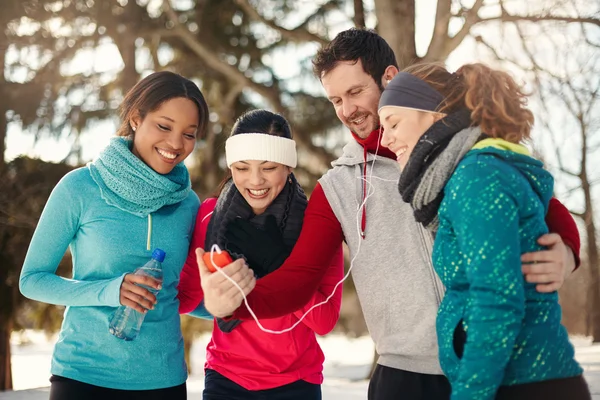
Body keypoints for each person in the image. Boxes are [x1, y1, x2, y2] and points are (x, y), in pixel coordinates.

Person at [195, 29, 582, 400]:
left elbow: (545, 205)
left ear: (389, 78)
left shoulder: (464, 155)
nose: (347, 110)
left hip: (492, 358)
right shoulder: (339, 187)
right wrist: (235, 301)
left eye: (355, 92)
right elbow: (299, 279)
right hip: (404, 375)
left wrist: (566, 251)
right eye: (335, 100)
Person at [377, 62, 591, 400]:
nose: (386, 139)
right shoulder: (472, 174)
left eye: (393, 123)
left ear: (435, 115)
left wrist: (470, 394)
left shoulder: (476, 178)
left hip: (525, 385)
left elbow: (496, 303)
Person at [19, 71, 216, 400]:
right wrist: (111, 290)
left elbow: (180, 296)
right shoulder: (81, 187)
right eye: (164, 126)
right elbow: (32, 280)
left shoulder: (188, 204)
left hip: (163, 380)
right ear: (136, 118)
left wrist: (240, 305)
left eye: (189, 134)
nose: (176, 144)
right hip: (83, 376)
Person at [177, 109, 344, 400]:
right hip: (225, 379)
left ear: (288, 166)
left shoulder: (318, 223)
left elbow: (324, 321)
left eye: (268, 168)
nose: (255, 181)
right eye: (241, 168)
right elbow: (185, 298)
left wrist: (280, 265)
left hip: (296, 382)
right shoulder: (209, 217)